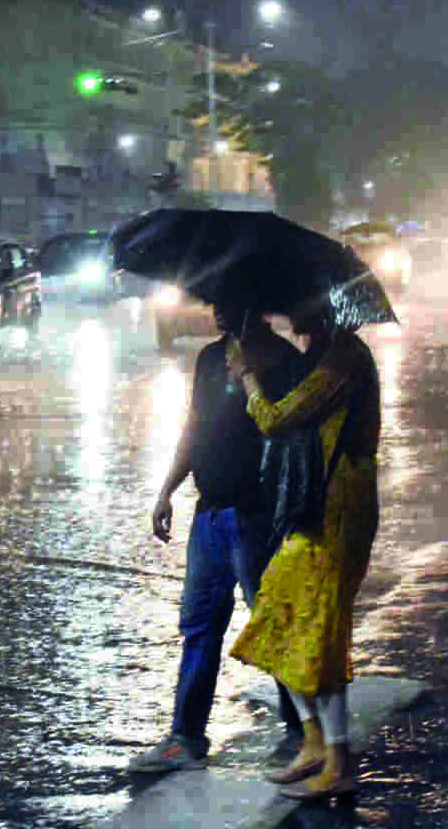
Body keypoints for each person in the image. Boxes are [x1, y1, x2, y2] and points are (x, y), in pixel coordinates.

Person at [128, 301, 307, 774]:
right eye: (214, 301)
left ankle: (301, 731)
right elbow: (195, 425)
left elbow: (291, 435)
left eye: (228, 299)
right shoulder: (210, 358)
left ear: (255, 301)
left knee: (272, 623)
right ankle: (186, 736)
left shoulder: (283, 361)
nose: (217, 310)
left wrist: (251, 377)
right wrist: (168, 487)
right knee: (199, 626)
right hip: (209, 512)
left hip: (258, 515)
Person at [226, 296, 381, 801]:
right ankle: (314, 741)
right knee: (276, 616)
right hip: (313, 509)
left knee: (319, 633)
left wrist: (249, 379)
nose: (293, 314)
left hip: (339, 511)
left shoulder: (344, 360)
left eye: (304, 306)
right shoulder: (324, 355)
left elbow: (277, 419)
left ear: (327, 310)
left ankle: (338, 760)